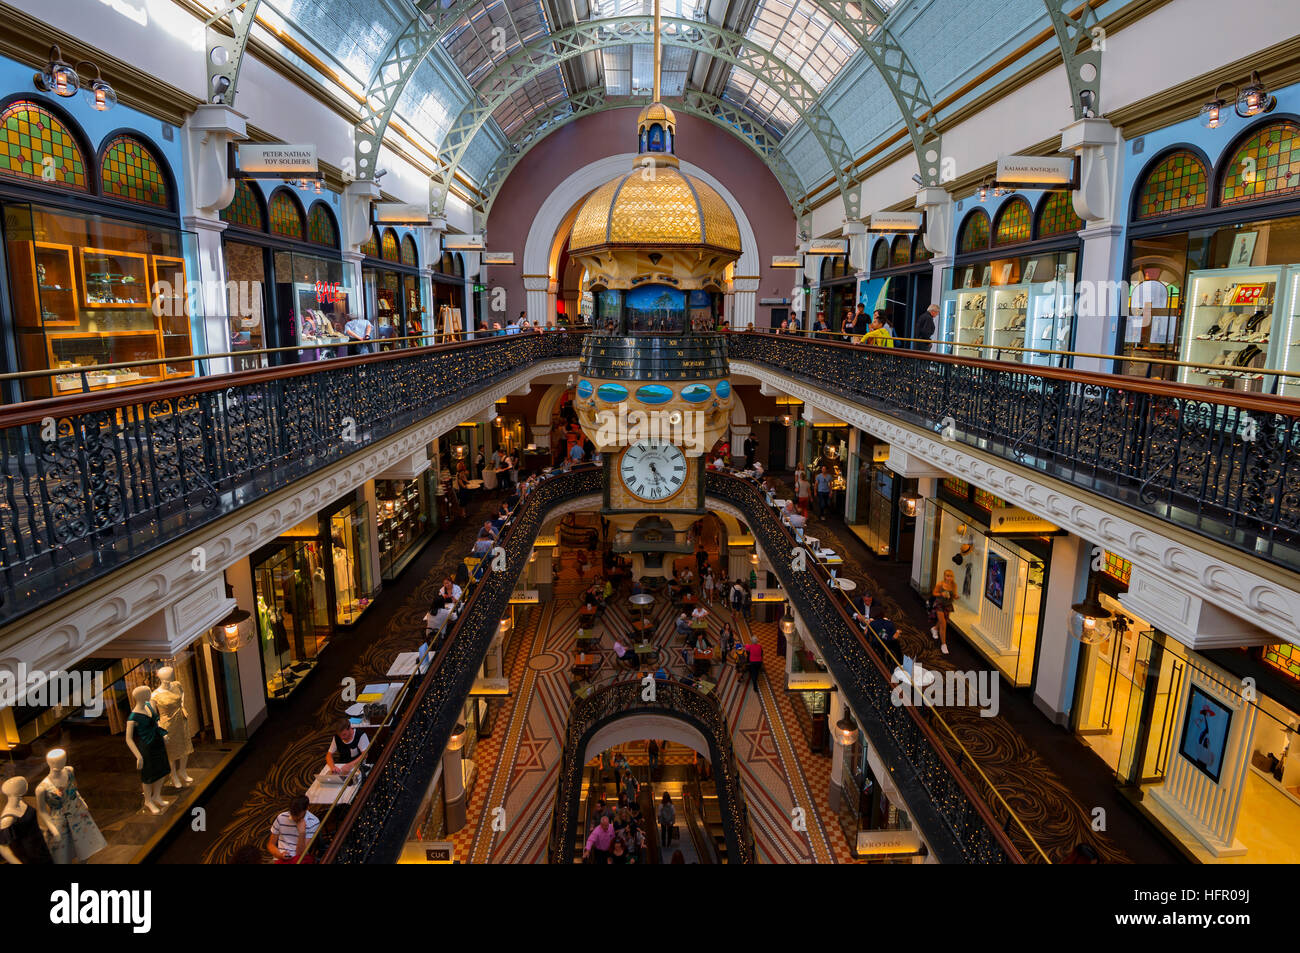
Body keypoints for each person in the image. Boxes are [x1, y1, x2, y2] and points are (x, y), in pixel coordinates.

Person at [267, 795, 319, 864]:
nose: (294, 818)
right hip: (280, 858)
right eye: (292, 814)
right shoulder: (281, 817)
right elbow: (270, 845)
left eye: (297, 815)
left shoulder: (313, 822)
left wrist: (302, 833)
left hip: (300, 859)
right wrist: (280, 855)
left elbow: (300, 853)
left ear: (307, 808)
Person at [932, 568, 956, 655]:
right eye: (947, 576)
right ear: (944, 576)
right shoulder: (940, 584)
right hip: (939, 605)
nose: (949, 578)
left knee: (943, 621)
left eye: (951, 576)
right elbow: (934, 593)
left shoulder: (954, 585)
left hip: (948, 605)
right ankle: (943, 644)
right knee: (943, 624)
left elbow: (954, 595)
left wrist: (955, 596)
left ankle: (934, 628)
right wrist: (941, 594)